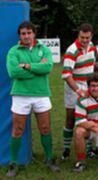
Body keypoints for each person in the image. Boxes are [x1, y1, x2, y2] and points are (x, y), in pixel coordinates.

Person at [6, 21, 60, 177]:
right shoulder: (13, 51)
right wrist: (37, 68)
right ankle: (13, 163)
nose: (26, 36)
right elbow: (14, 73)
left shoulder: (44, 49)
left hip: (41, 94)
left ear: (34, 34)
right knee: (18, 130)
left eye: (29, 33)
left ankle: (49, 159)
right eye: (23, 33)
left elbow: (48, 68)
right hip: (20, 95)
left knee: (45, 128)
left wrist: (28, 66)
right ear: (20, 35)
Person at [61, 23, 96, 160]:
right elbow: (66, 75)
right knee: (70, 119)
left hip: (88, 88)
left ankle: (88, 150)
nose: (85, 40)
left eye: (87, 37)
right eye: (82, 37)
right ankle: (66, 150)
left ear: (91, 36)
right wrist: (78, 90)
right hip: (73, 88)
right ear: (78, 35)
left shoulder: (92, 46)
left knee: (88, 118)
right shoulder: (72, 50)